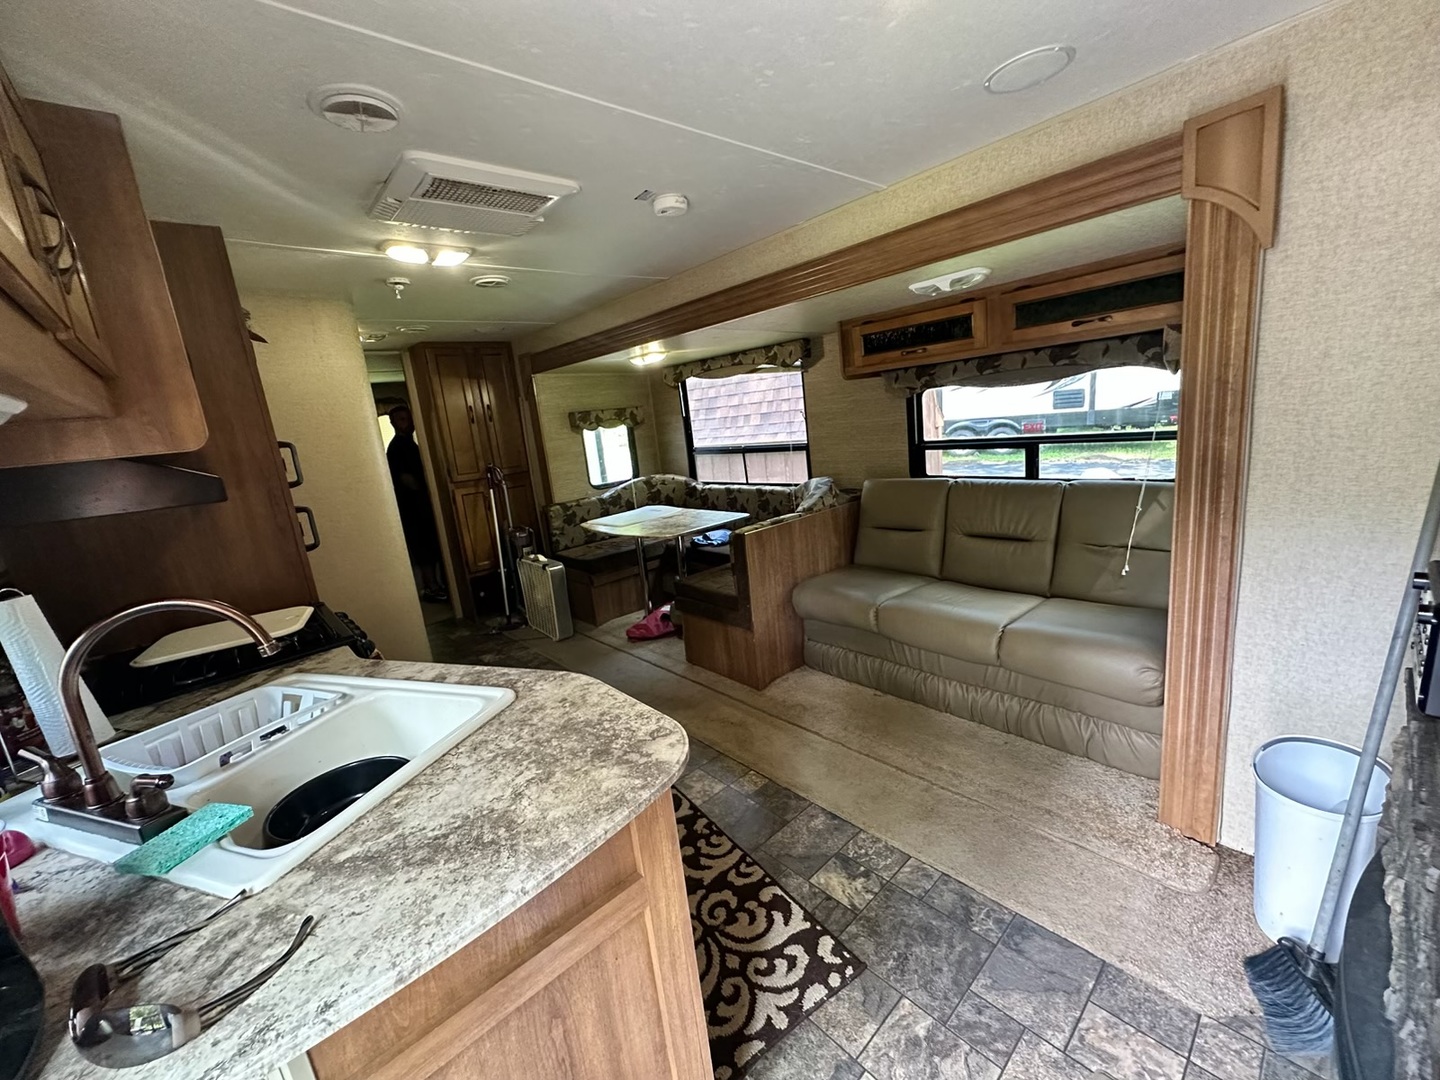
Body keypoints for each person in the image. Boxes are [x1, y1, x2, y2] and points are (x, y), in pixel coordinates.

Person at [385, 405, 449, 602]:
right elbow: (406, 479)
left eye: (408, 418)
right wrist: (426, 490)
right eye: (401, 419)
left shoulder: (412, 445)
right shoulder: (397, 448)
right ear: (393, 423)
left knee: (432, 546)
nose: (407, 423)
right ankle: (430, 587)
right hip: (412, 508)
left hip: (422, 506)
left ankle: (437, 585)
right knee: (423, 549)